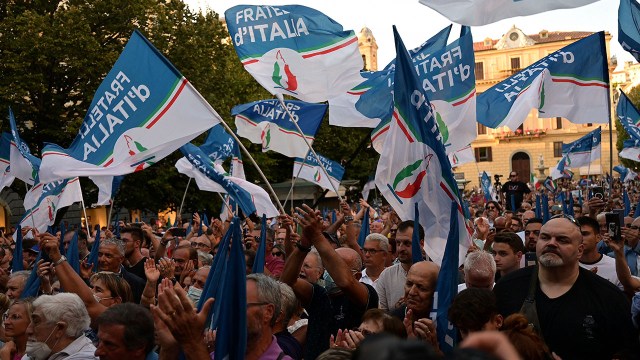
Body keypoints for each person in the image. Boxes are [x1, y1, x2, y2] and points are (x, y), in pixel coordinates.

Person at [493, 216, 640, 359]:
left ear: (580, 250)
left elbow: (627, 351)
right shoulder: (507, 287)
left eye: (562, 240)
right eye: (544, 237)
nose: (551, 243)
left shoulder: (608, 297)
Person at [26, 293, 97, 359]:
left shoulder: (86, 357)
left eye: (36, 322)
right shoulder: (37, 353)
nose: (28, 330)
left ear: (60, 329)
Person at [375, 220, 423, 311]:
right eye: (398, 243)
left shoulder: (435, 274)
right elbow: (379, 317)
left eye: (407, 243)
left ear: (421, 244)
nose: (401, 248)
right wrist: (398, 311)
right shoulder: (386, 275)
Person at [576, 216, 622, 288]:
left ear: (598, 237)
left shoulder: (615, 266)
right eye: (577, 235)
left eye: (585, 234)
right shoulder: (565, 267)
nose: (580, 238)